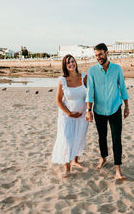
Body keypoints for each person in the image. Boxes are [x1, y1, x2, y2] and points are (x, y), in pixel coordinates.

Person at [85, 43, 129, 180]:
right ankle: (103, 158)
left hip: (115, 108)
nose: (99, 57)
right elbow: (90, 92)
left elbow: (122, 87)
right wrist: (89, 110)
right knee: (102, 136)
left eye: (100, 54)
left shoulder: (117, 69)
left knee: (117, 138)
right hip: (99, 110)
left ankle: (118, 169)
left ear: (107, 53)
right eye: (96, 55)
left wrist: (127, 106)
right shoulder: (92, 71)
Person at [51, 55, 89, 178]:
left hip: (82, 115)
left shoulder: (84, 77)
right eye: (68, 63)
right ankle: (67, 168)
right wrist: (69, 113)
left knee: (78, 137)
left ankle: (75, 160)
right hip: (66, 116)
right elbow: (58, 100)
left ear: (75, 63)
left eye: (72, 61)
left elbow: (90, 95)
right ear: (65, 66)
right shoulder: (62, 80)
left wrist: (89, 110)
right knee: (67, 139)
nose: (71, 64)